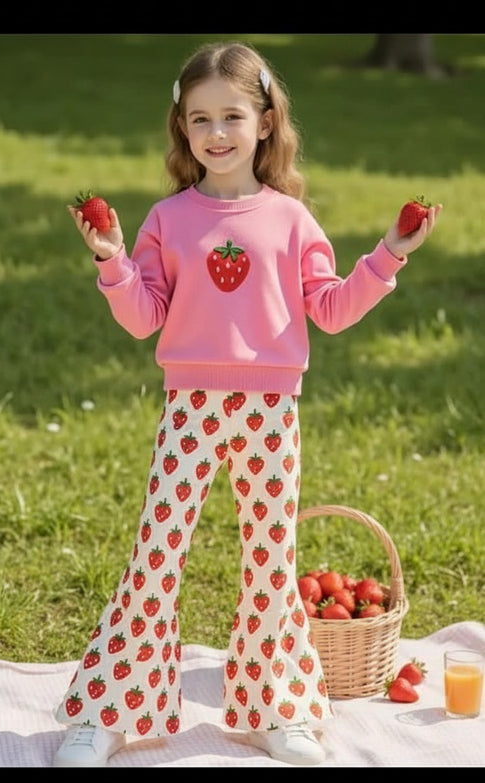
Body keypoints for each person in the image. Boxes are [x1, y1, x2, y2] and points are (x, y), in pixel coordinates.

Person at [53, 40, 442, 768]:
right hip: (189, 407)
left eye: (231, 115)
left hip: (270, 411)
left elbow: (328, 309)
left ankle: (276, 707)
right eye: (198, 119)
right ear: (182, 129)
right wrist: (110, 258)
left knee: (270, 559)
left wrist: (388, 252)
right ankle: (109, 710)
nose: (216, 133)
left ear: (265, 122)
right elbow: (143, 317)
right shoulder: (167, 220)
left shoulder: (292, 221)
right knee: (154, 555)